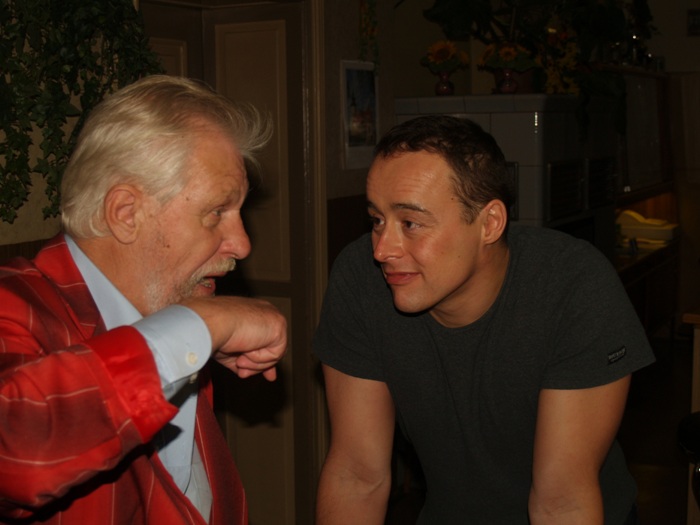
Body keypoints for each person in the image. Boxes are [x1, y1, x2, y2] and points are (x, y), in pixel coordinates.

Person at [314, 115, 655, 524]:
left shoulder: (574, 286)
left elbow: (561, 502)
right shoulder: (360, 280)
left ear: (489, 223)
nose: (382, 249)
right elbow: (357, 476)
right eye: (377, 220)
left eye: (411, 223)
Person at [0, 75, 287, 525]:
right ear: (127, 214)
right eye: (216, 212)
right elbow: (16, 452)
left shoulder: (167, 320)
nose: (242, 244)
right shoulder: (13, 306)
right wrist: (200, 326)